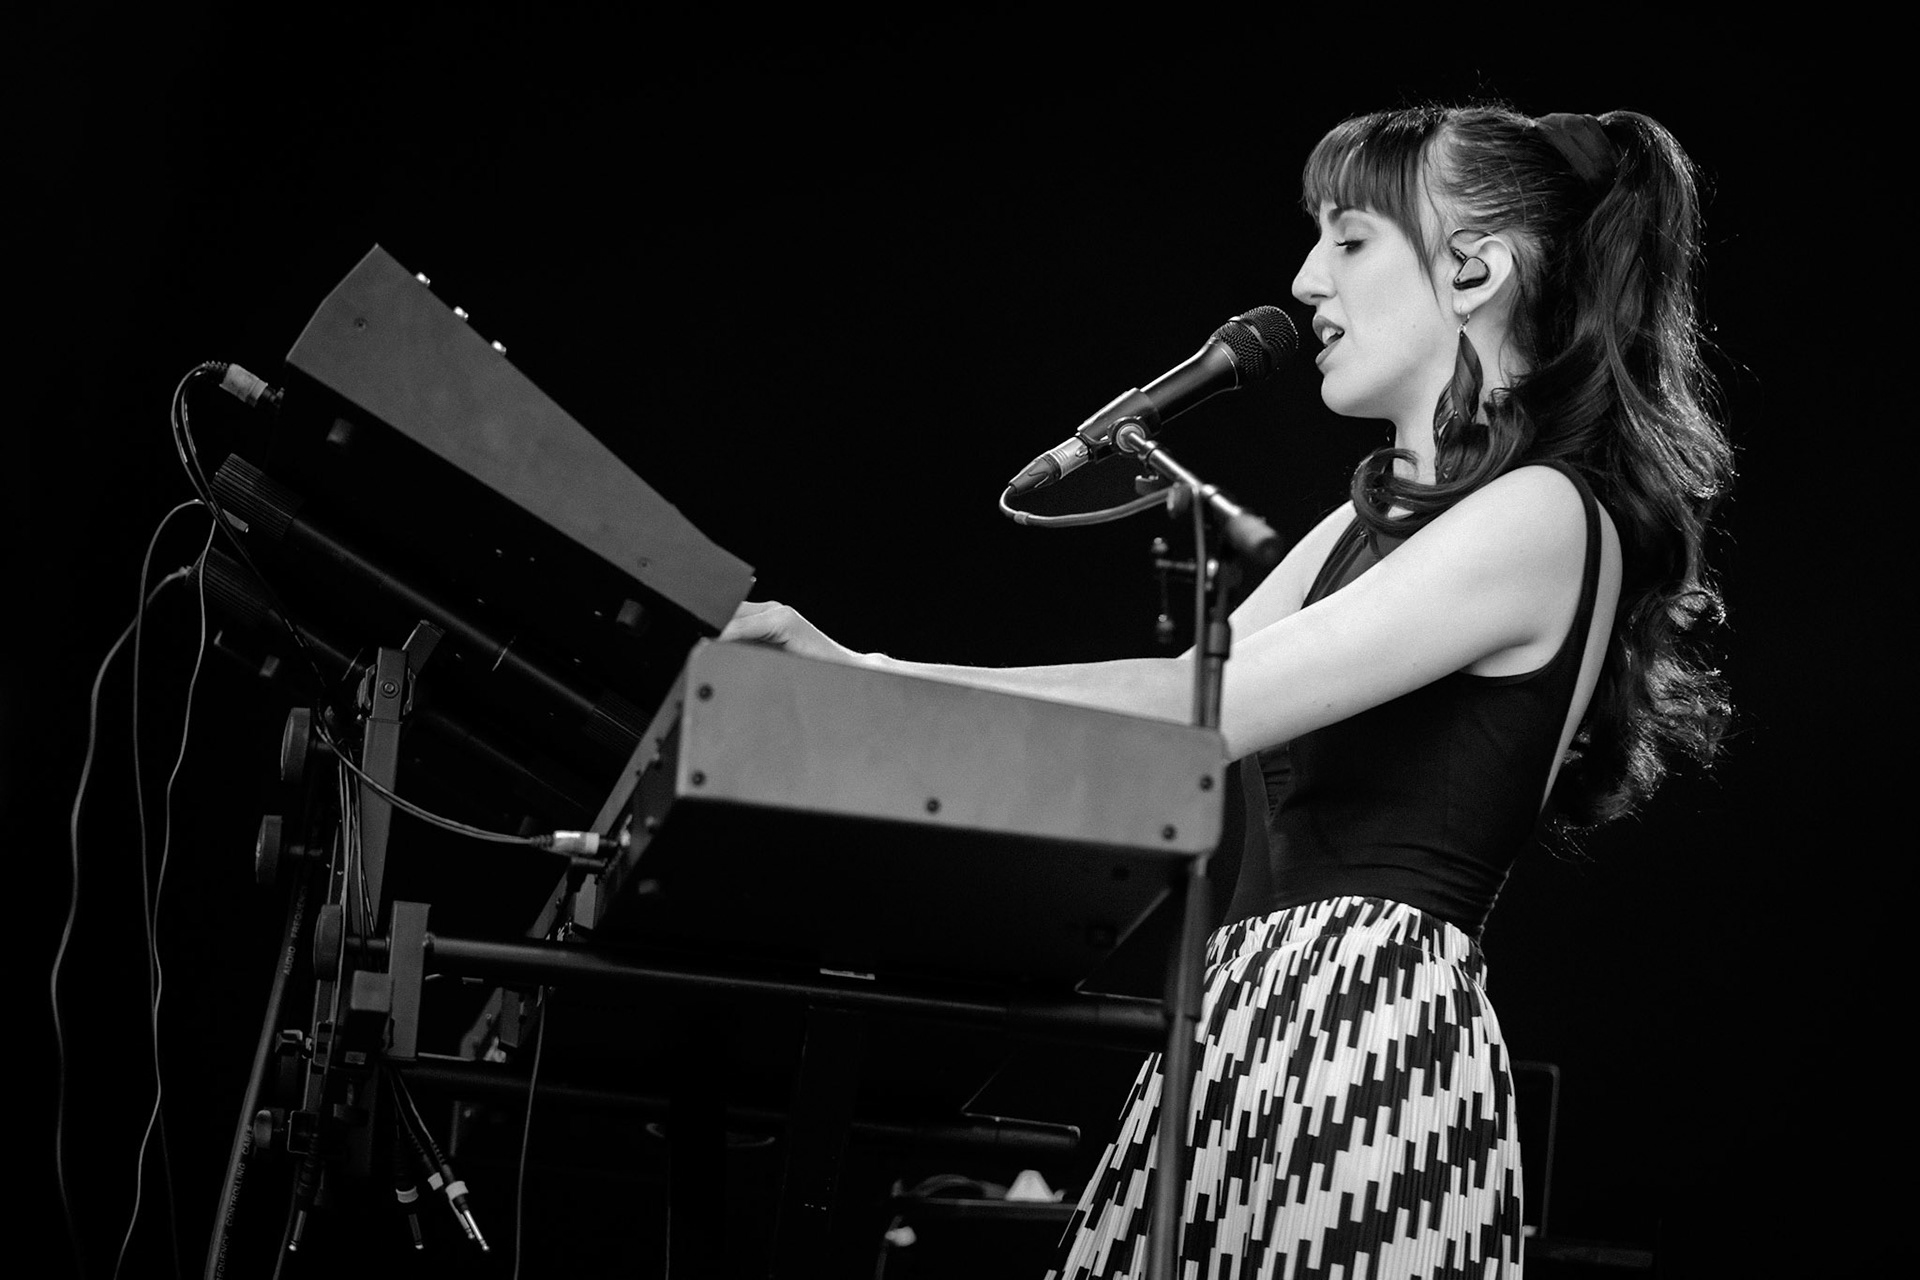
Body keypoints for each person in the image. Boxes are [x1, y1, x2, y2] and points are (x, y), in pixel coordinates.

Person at [722, 103, 1731, 1278]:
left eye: (1349, 240)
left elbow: (1206, 706)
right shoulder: (1364, 524)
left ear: (1474, 269)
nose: (1306, 281)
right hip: (1245, 1019)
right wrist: (858, 681)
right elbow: (1169, 712)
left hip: (1367, 1031)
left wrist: (864, 683)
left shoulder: (1547, 512)